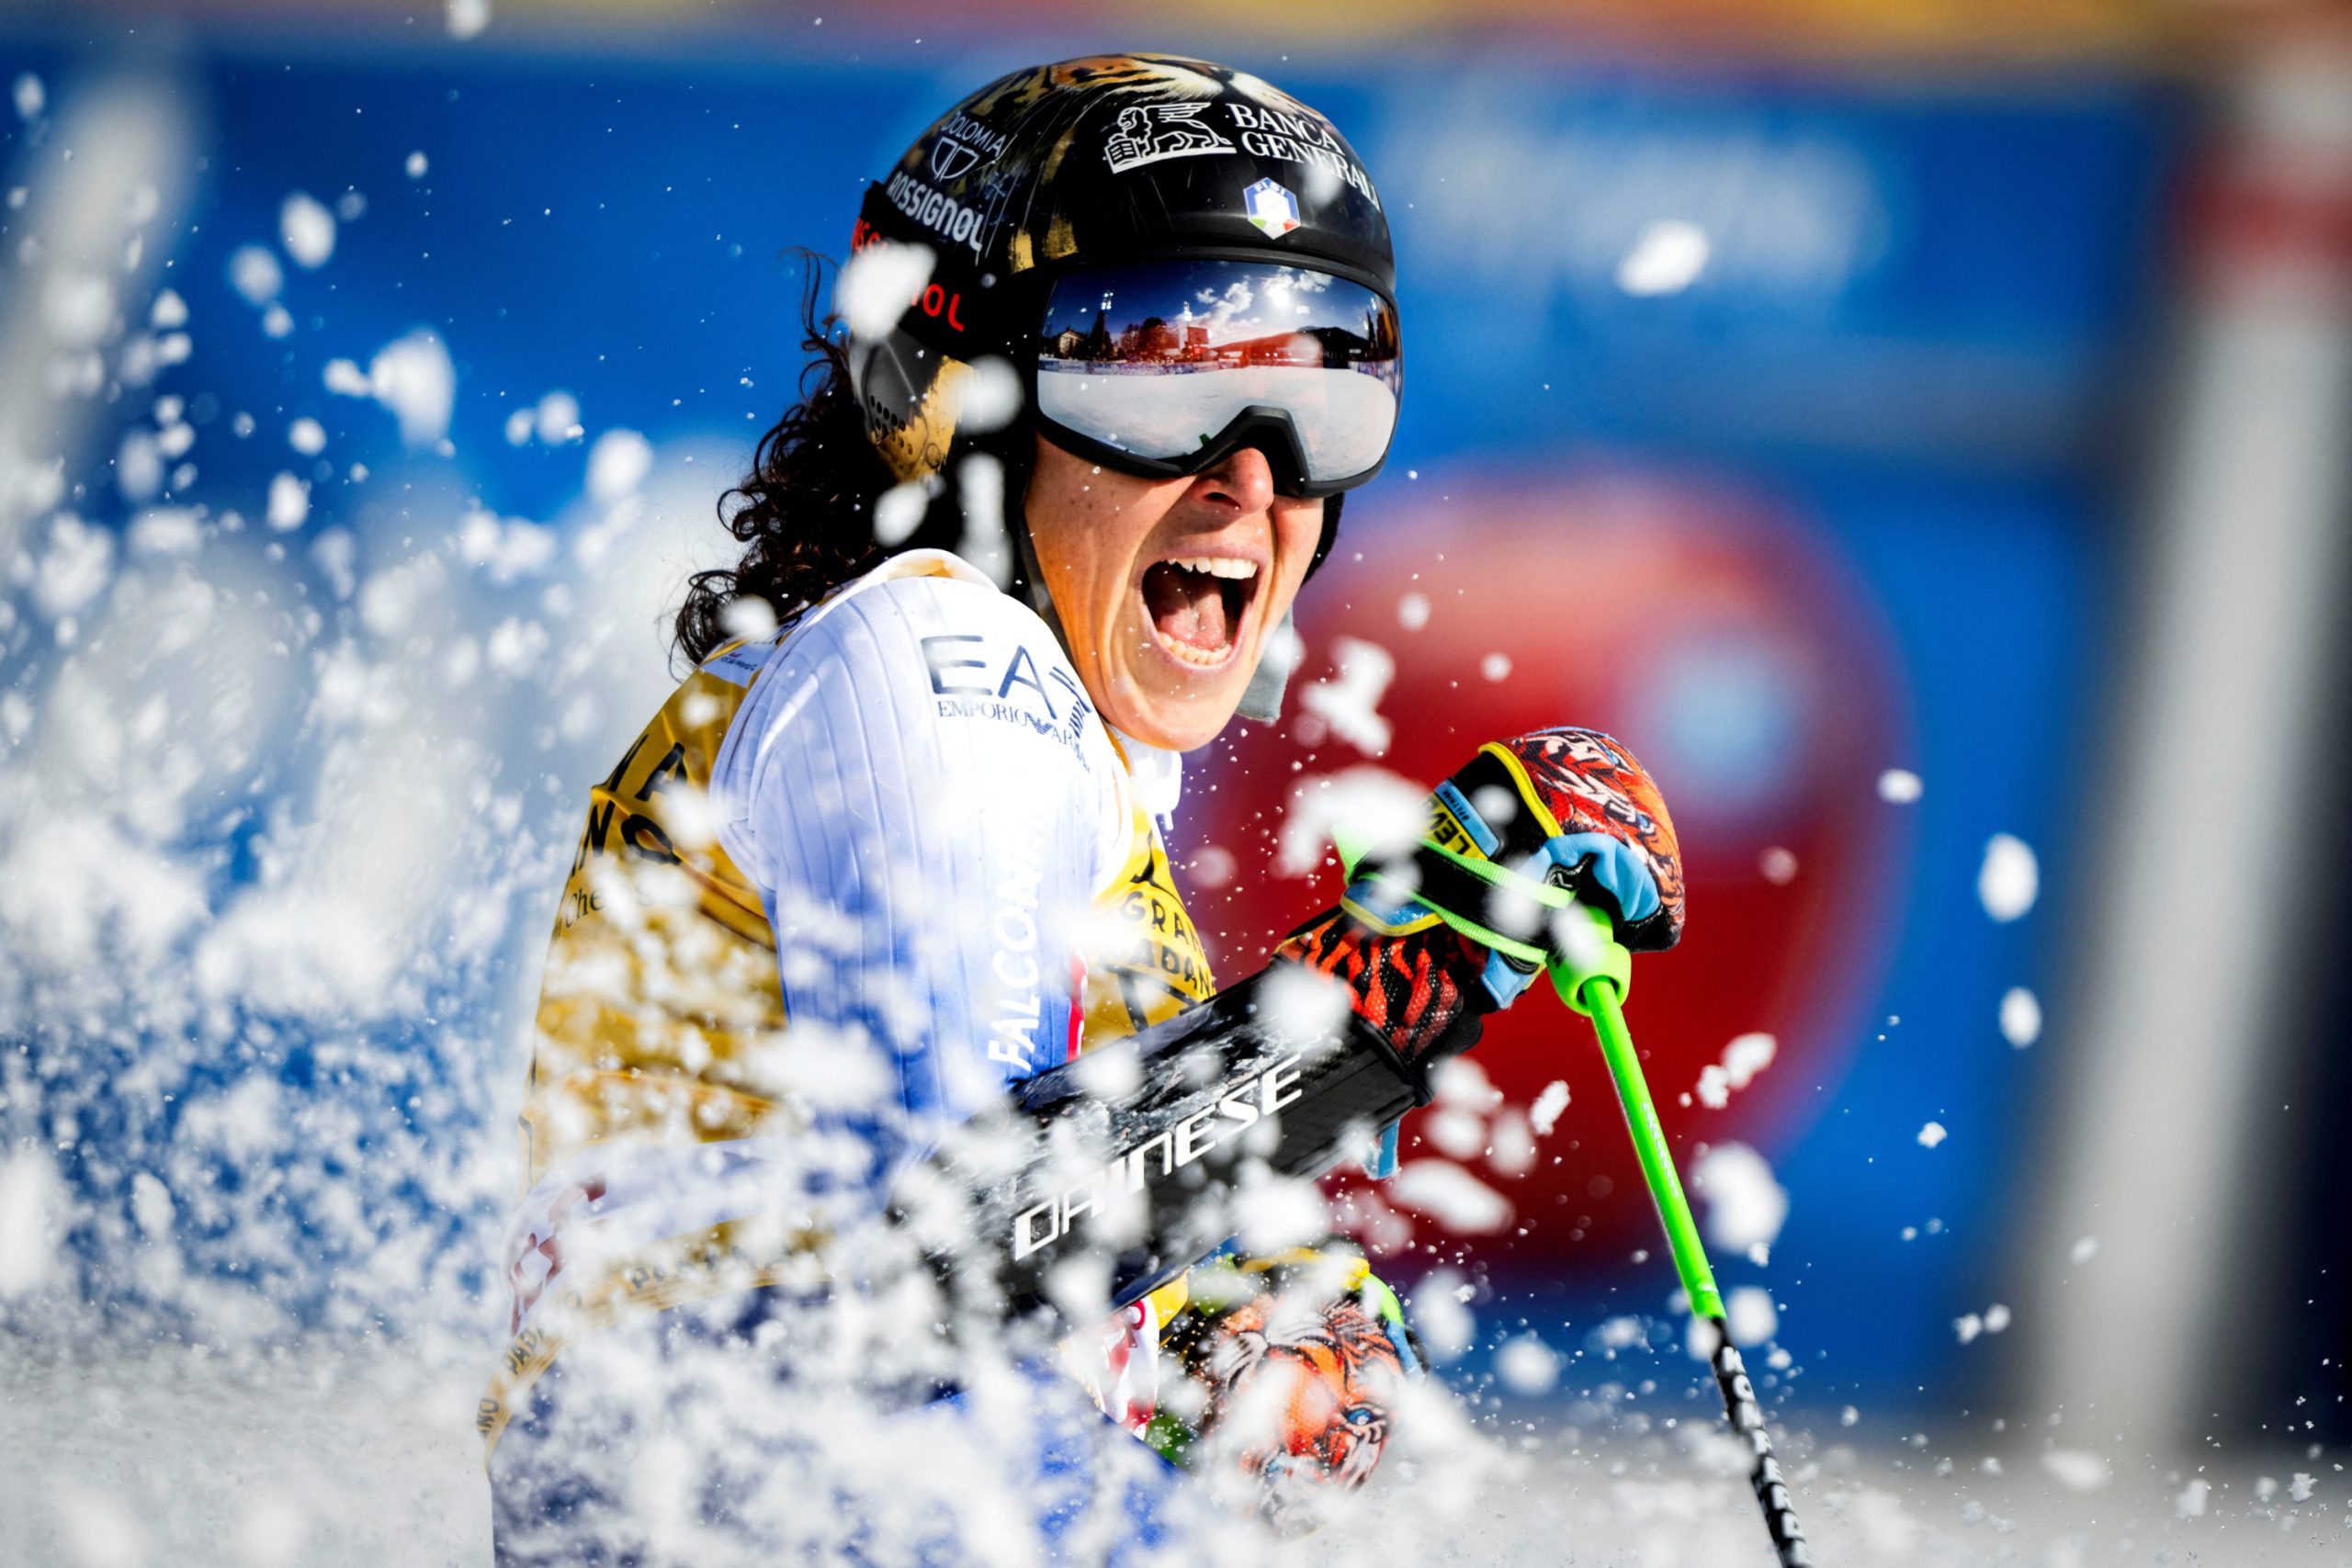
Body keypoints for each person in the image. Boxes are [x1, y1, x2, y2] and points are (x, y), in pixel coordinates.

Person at [482, 53, 1686, 1565]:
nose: (1254, 478)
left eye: (1325, 388)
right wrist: (1399, 982)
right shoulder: (939, 663)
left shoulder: (981, 711)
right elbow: (954, 1261)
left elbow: (921, 1265)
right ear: (949, 399)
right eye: (1153, 372)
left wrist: (1214, 1332)